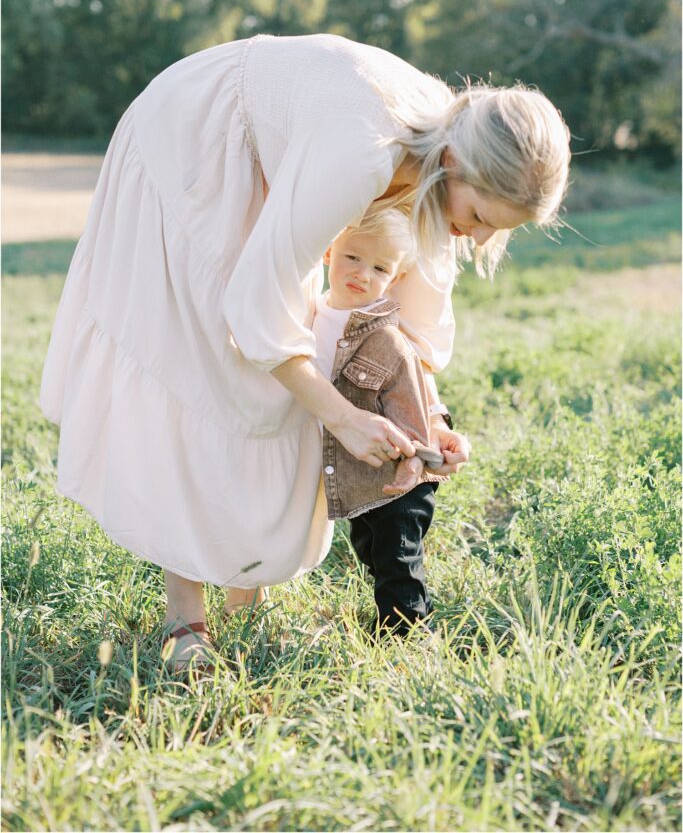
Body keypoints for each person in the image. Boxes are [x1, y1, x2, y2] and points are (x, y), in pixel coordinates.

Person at [40, 33, 570, 672]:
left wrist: (426, 422)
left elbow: (408, 324)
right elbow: (256, 307)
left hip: (274, 155)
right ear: (456, 163)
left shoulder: (449, 161)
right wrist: (345, 419)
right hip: (194, 139)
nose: (478, 236)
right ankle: (185, 619)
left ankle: (246, 594)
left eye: (496, 230)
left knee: (283, 379)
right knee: (210, 373)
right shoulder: (363, 154)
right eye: (480, 216)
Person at [313, 204, 458, 634]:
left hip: (399, 478)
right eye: (352, 257)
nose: (362, 273)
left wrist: (419, 455)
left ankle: (409, 635)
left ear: (393, 280)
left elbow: (413, 397)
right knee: (371, 550)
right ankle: (397, 615)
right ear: (327, 252)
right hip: (361, 476)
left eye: (379, 268)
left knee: (398, 559)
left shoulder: (387, 338)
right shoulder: (309, 316)